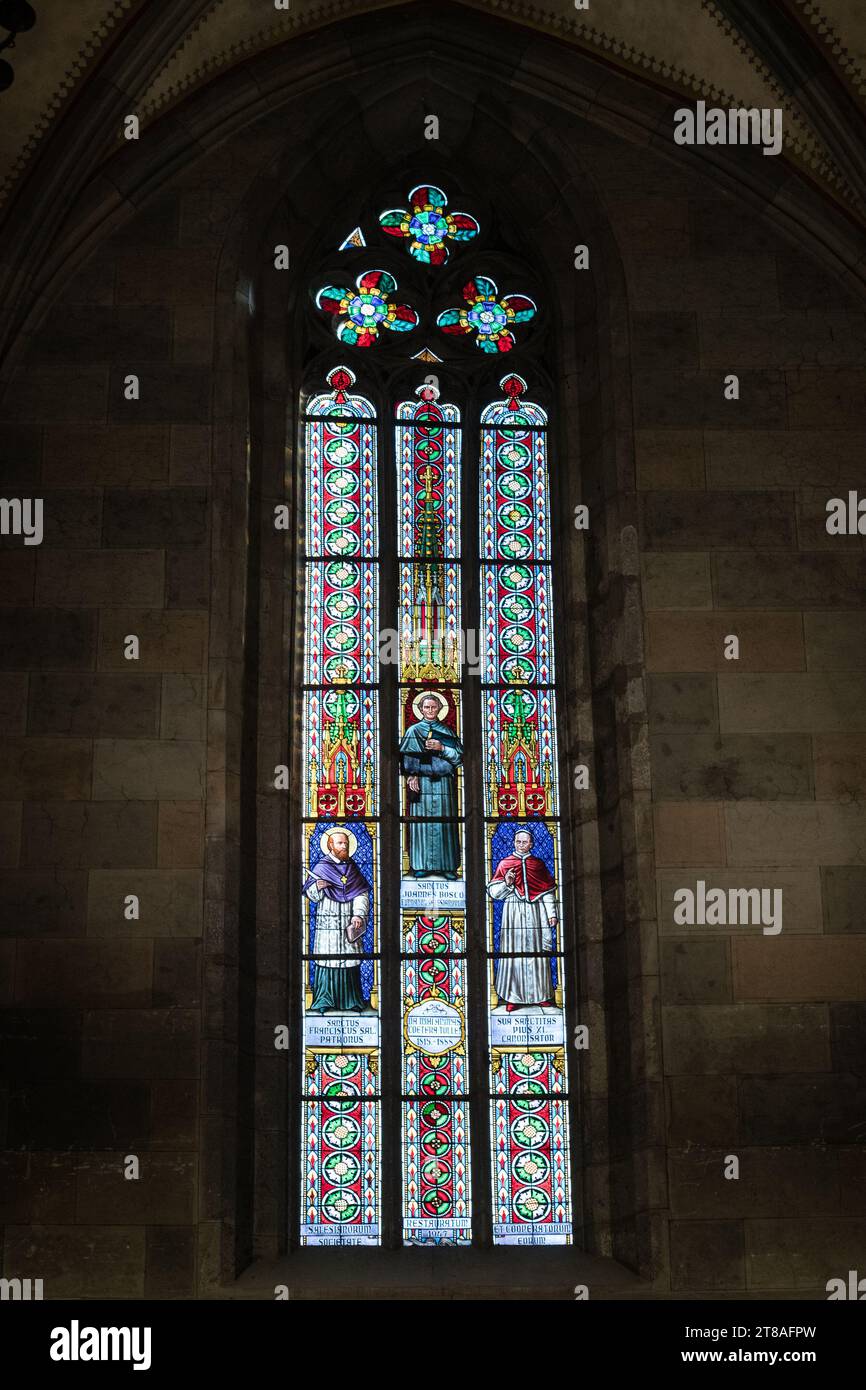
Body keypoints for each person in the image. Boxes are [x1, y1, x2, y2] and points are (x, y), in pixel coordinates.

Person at [487, 828, 557, 1012]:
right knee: (514, 951)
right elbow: (493, 893)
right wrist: (507, 883)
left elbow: (547, 892)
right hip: (514, 913)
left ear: (531, 844)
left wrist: (552, 914)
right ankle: (513, 997)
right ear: (514, 843)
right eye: (518, 841)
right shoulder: (505, 863)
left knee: (536, 953)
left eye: (524, 842)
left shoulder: (538, 864)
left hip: (535, 912)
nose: (521, 845)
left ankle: (540, 996)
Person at [303, 828, 370, 1014]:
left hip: (349, 919)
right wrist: (317, 886)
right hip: (328, 922)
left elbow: (362, 894)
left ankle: (352, 1000)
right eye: (340, 843)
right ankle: (324, 999)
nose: (344, 846)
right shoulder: (321, 867)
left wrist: (358, 914)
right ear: (330, 845)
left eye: (346, 843)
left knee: (349, 960)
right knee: (327, 958)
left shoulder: (353, 868)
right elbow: (311, 895)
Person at [399, 693, 463, 878]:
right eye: (426, 707)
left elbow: (459, 758)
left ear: (439, 709)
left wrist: (442, 748)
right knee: (422, 822)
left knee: (444, 823)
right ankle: (421, 864)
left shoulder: (447, 732)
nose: (430, 710)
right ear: (420, 709)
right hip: (423, 784)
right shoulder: (413, 731)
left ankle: (447, 866)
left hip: (444, 785)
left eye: (433, 707)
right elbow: (406, 758)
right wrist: (412, 775)